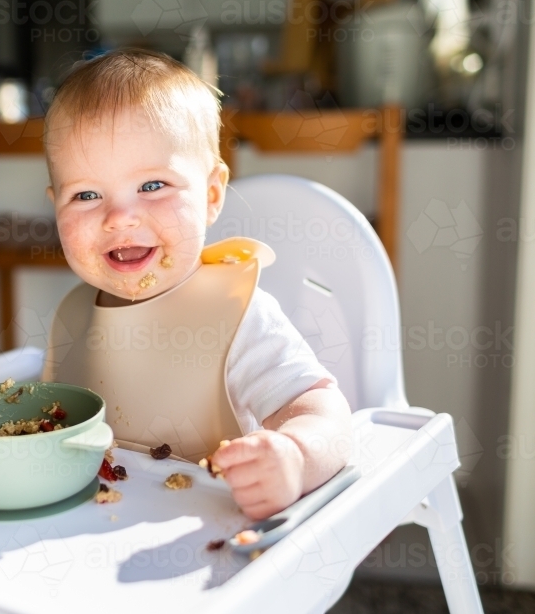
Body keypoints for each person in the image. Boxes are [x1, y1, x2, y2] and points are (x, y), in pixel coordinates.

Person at [42, 48, 351, 520]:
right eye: (86, 194)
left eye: (152, 186)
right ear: (55, 205)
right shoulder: (73, 316)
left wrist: (295, 457)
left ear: (210, 196)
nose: (120, 217)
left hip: (209, 546)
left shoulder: (234, 313)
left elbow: (323, 413)